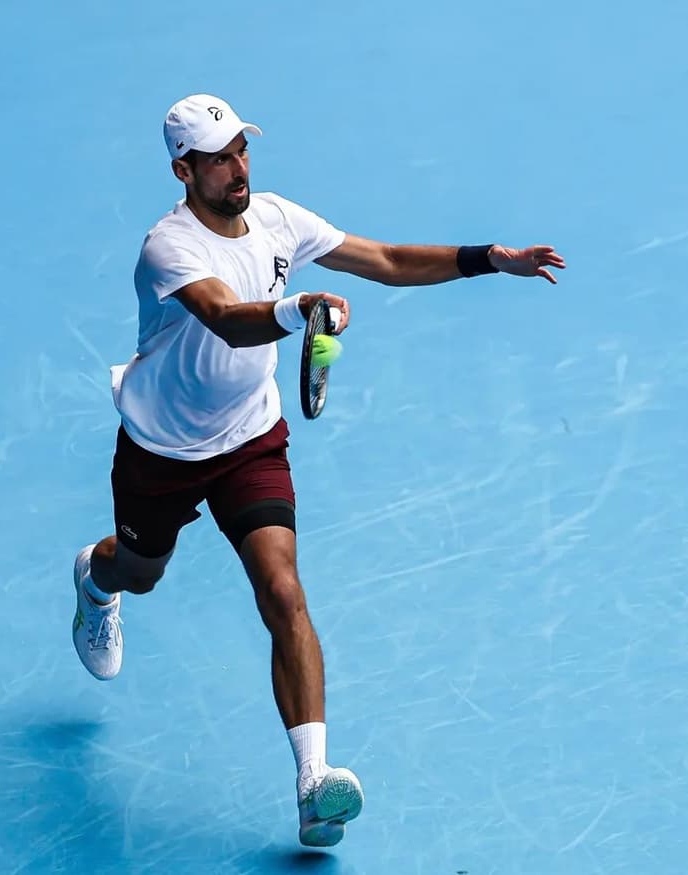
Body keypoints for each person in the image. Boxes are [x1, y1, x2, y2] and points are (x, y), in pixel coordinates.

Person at [70, 93, 566, 847]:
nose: (237, 168)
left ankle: (313, 782)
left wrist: (487, 260)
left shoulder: (275, 216)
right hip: (163, 447)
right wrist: (296, 306)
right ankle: (95, 579)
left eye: (241, 149)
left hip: (248, 437)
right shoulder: (169, 248)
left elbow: (386, 260)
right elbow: (229, 318)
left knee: (283, 589)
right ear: (183, 169)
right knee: (140, 571)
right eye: (217, 158)